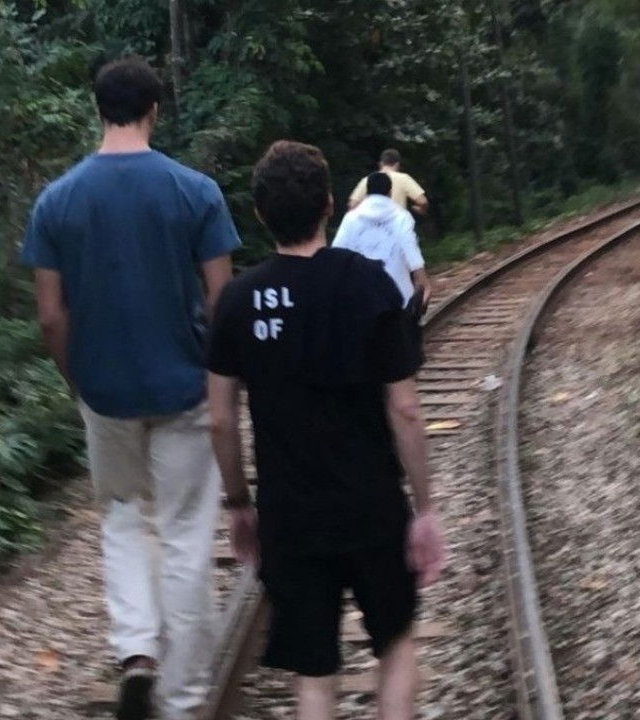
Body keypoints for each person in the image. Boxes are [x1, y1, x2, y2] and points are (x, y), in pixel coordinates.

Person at [21, 57, 240, 720]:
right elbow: (222, 300)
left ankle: (137, 651)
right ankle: (185, 697)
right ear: (154, 111)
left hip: (104, 390)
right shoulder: (195, 191)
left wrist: (78, 380)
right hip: (185, 385)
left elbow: (50, 315)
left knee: (120, 517)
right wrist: (220, 378)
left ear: (98, 110)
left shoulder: (56, 201)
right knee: (184, 536)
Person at [205, 141, 446, 720]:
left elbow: (219, 419)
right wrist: (424, 507)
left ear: (260, 214)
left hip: (290, 516)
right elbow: (406, 411)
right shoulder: (370, 284)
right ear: (329, 205)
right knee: (395, 646)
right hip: (372, 508)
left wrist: (239, 505)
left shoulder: (237, 302)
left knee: (315, 673)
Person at [332, 171, 431, 353]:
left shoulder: (351, 219)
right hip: (398, 299)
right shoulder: (402, 217)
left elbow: (336, 255)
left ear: (367, 192)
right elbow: (411, 252)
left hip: (360, 299)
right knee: (398, 353)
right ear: (390, 192)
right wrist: (423, 282)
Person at [348, 148, 429, 216]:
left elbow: (352, 205)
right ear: (397, 164)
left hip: (373, 225)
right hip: (397, 224)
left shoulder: (368, 179)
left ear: (381, 163)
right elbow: (423, 201)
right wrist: (421, 210)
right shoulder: (404, 178)